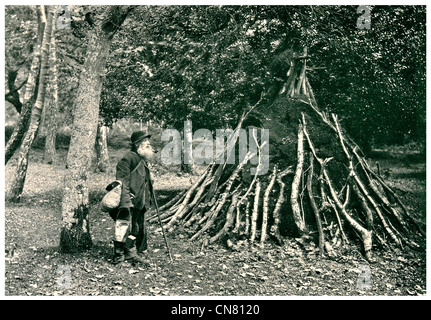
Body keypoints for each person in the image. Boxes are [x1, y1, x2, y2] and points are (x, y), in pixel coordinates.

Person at [111, 130, 155, 265]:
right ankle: (118, 255)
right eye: (146, 144)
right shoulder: (127, 159)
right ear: (137, 145)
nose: (149, 145)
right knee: (123, 227)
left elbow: (145, 182)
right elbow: (121, 182)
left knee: (134, 229)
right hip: (129, 200)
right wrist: (126, 203)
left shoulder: (143, 160)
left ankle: (130, 252)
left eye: (148, 143)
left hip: (140, 201)